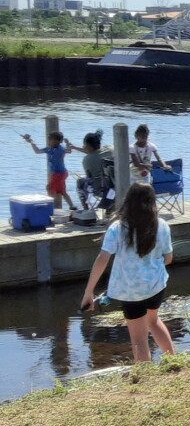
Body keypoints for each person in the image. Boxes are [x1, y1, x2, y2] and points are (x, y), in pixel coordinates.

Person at [80, 183, 175, 364]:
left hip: (130, 290)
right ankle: (173, 362)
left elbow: (102, 258)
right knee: (153, 321)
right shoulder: (161, 225)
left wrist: (89, 292)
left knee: (139, 339)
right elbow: (168, 258)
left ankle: (145, 378)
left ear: (128, 202)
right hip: (155, 286)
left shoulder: (118, 227)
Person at [23, 129, 78, 210]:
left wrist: (67, 143)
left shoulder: (60, 149)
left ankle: (49, 206)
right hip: (58, 174)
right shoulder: (48, 149)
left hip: (59, 173)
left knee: (50, 188)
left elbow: (69, 151)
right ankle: (72, 206)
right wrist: (31, 141)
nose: (48, 141)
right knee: (62, 191)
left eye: (49, 140)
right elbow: (37, 151)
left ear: (57, 141)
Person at [76, 130, 113, 211]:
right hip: (114, 186)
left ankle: (86, 209)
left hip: (100, 189)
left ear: (89, 146)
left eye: (84, 145)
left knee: (80, 182)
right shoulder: (110, 149)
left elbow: (89, 176)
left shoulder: (87, 159)